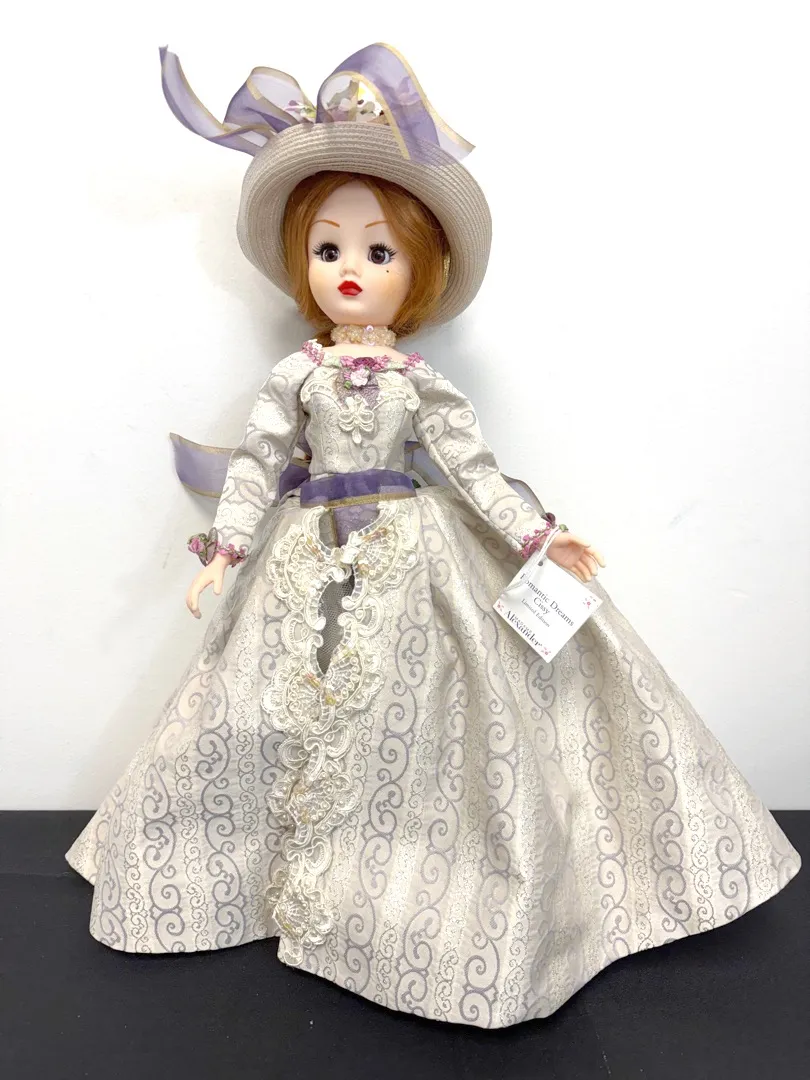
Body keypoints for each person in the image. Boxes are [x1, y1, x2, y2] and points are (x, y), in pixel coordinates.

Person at [65, 42, 801, 1029]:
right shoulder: (298, 376)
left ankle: (398, 887)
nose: (351, 270)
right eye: (329, 248)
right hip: (304, 557)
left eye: (379, 252)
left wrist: (540, 538)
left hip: (413, 555)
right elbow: (256, 462)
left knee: (433, 718)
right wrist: (227, 551)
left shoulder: (420, 384)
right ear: (301, 263)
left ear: (417, 272)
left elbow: (471, 468)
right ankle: (245, 877)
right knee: (255, 708)